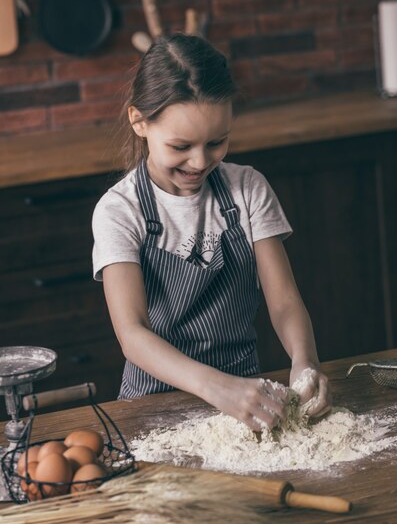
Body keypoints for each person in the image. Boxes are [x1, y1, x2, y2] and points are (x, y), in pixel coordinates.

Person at [92, 33, 331, 431]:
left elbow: (284, 302)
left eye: (217, 142)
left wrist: (305, 362)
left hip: (247, 395)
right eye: (181, 146)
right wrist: (219, 389)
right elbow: (132, 333)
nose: (200, 161)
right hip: (153, 406)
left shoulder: (248, 188)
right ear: (139, 122)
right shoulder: (119, 210)